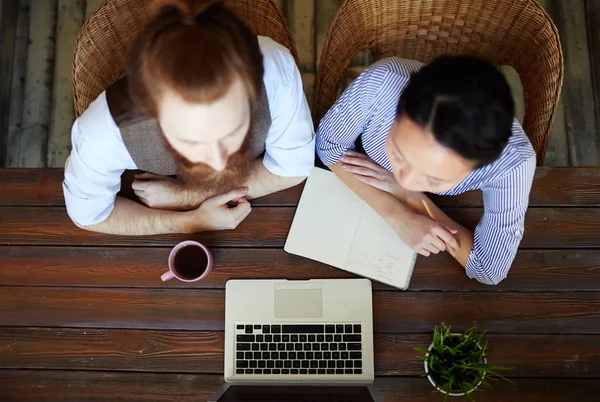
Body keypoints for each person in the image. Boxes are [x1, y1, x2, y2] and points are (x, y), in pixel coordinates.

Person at [63, 0, 315, 235]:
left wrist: (185, 196)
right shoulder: (102, 134)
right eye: (192, 142)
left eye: (234, 130)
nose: (218, 162)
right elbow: (90, 216)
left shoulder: (274, 70)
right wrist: (191, 221)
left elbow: (292, 169)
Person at [316, 56, 536, 285]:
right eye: (398, 153)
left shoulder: (513, 165)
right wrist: (396, 213)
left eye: (433, 180)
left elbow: (488, 269)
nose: (405, 180)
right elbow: (329, 147)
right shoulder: (381, 83)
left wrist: (411, 198)